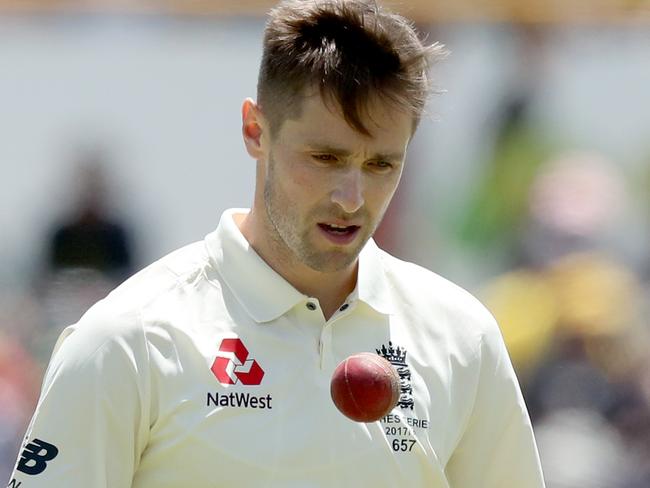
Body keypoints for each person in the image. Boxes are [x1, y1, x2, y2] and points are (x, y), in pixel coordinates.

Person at [7, 1, 545, 486]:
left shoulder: (462, 337)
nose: (353, 198)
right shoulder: (127, 340)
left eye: (381, 164)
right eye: (326, 158)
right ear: (255, 130)